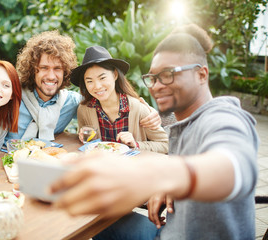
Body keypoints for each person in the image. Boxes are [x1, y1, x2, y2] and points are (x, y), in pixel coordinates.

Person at [50, 24, 259, 240]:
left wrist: (158, 176)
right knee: (90, 222)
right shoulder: (182, 126)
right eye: (153, 77)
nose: (157, 86)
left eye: (169, 74)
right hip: (167, 230)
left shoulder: (224, 117)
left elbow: (236, 166)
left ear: (201, 74)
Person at [0, 31, 161, 141]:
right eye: (43, 68)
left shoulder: (71, 102)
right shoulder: (13, 95)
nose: (50, 75)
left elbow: (105, 96)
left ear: (65, 72)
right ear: (32, 69)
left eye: (57, 69)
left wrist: (145, 108)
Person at [70, 46, 168, 152]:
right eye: (89, 81)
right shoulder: (84, 109)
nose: (97, 86)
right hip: (100, 166)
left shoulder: (139, 109)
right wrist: (84, 138)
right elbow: (86, 144)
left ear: (115, 75)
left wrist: (136, 144)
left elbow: (166, 144)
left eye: (102, 78)